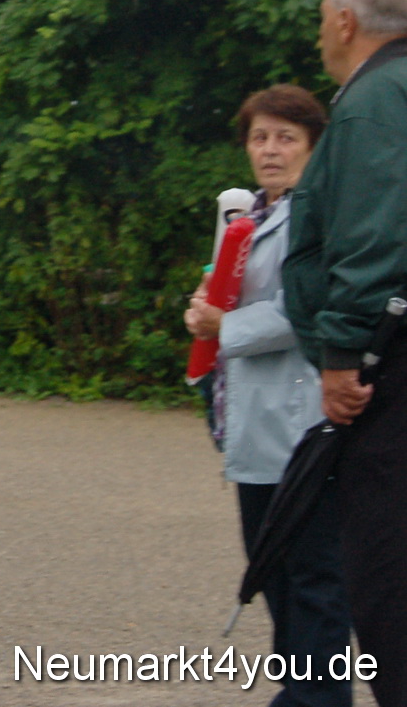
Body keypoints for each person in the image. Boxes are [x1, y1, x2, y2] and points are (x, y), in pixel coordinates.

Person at [184, 86, 349, 707]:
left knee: (315, 582)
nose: (270, 150)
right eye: (260, 137)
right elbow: (230, 295)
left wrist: (225, 329)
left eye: (286, 138)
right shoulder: (246, 214)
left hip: (303, 423)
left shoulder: (320, 212)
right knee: (272, 572)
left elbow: (306, 309)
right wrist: (204, 314)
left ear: (312, 146)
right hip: (251, 426)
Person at [284, 0, 407, 707]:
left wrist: (340, 355)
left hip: (387, 373)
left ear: (343, 20)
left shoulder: (373, 102)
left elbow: (374, 239)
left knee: (388, 583)